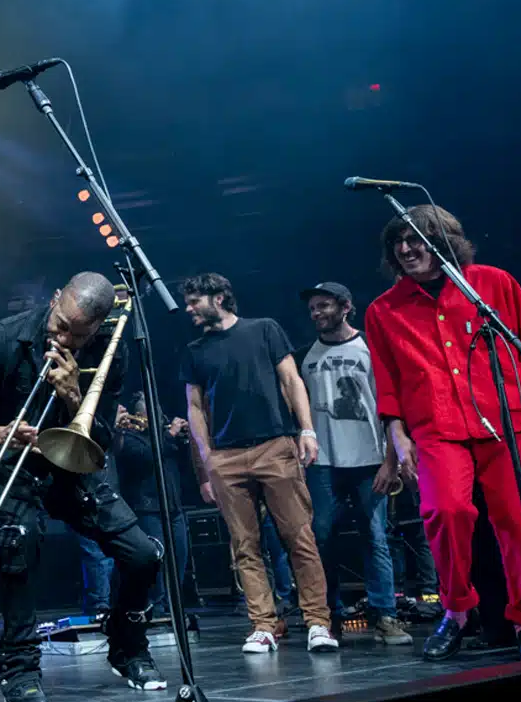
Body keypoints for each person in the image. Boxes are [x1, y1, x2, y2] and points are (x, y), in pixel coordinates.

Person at [0, 272, 167, 702]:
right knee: (19, 543)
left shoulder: (110, 349)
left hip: (72, 463)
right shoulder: (5, 338)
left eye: (76, 332)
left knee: (142, 554)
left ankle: (127, 649)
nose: (62, 334)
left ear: (96, 328)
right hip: (10, 462)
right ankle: (20, 669)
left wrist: (72, 396)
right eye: (60, 322)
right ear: (54, 299)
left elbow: (102, 436)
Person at [364, 206, 521, 660]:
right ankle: (456, 611)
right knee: (445, 512)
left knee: (519, 519)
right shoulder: (383, 310)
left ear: (444, 240)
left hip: (507, 421)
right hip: (437, 427)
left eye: (417, 239)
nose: (405, 248)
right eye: (398, 242)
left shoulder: (492, 284)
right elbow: (387, 378)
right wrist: (397, 437)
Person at [180, 272, 336, 654]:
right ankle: (264, 624)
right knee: (244, 546)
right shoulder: (194, 350)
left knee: (299, 537)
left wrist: (307, 430)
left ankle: (318, 622)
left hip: (274, 445)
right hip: (227, 457)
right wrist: (207, 462)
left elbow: (291, 380)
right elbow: (195, 408)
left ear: (218, 298)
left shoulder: (264, 329)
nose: (188, 309)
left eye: (194, 300)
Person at [296, 281, 412, 646]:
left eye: (324, 306)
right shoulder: (307, 357)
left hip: (369, 460)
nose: (316, 313)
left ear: (346, 307)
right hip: (324, 464)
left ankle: (385, 615)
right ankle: (328, 615)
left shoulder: (369, 348)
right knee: (321, 538)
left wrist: (390, 463)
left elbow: (392, 410)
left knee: (375, 537)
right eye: (313, 308)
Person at [111, 397, 191, 619]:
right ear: (141, 415)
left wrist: (184, 437)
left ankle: (175, 604)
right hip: (147, 508)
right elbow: (145, 458)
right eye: (152, 413)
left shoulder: (164, 437)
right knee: (157, 559)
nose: (159, 417)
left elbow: (182, 462)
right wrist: (170, 435)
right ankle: (157, 606)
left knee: (180, 557)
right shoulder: (129, 437)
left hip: (173, 506)